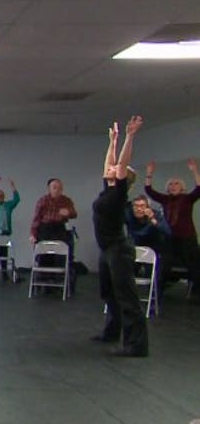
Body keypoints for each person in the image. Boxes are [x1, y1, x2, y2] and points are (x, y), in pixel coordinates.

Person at [92, 116, 148, 357]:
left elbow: (122, 163)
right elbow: (111, 163)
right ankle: (111, 332)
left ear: (123, 177)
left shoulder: (118, 195)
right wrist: (112, 142)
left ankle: (137, 345)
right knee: (109, 293)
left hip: (119, 249)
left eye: (115, 170)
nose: (111, 169)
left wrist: (129, 136)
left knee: (126, 297)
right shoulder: (109, 190)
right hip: (107, 250)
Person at [145, 158, 200, 292]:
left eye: (176, 183)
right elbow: (149, 190)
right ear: (168, 188)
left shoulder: (187, 199)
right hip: (169, 238)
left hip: (187, 239)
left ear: (182, 187)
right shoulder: (165, 199)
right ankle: (158, 291)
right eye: (171, 184)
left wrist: (194, 170)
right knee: (164, 265)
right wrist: (149, 173)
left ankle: (196, 292)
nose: (173, 186)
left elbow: (199, 188)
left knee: (194, 266)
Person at [30, 178, 79, 293]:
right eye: (55, 187)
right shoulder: (43, 200)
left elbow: (74, 213)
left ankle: (60, 283)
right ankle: (44, 283)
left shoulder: (66, 200)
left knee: (61, 257)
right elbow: (36, 219)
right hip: (45, 229)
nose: (57, 190)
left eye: (60, 188)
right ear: (49, 189)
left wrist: (68, 213)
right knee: (44, 257)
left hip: (60, 229)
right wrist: (33, 234)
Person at [126, 194, 173, 297]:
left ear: (148, 207)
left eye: (142, 206)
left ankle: (155, 298)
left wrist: (153, 219)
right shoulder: (129, 215)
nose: (139, 209)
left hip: (154, 248)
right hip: (136, 248)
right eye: (136, 206)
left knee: (154, 277)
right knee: (125, 272)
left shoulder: (155, 214)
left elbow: (168, 232)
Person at [0, 176, 20, 282]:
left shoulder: (8, 205)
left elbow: (17, 199)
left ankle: (4, 273)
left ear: (3, 197)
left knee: (4, 255)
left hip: (4, 234)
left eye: (0, 196)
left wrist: (13, 187)